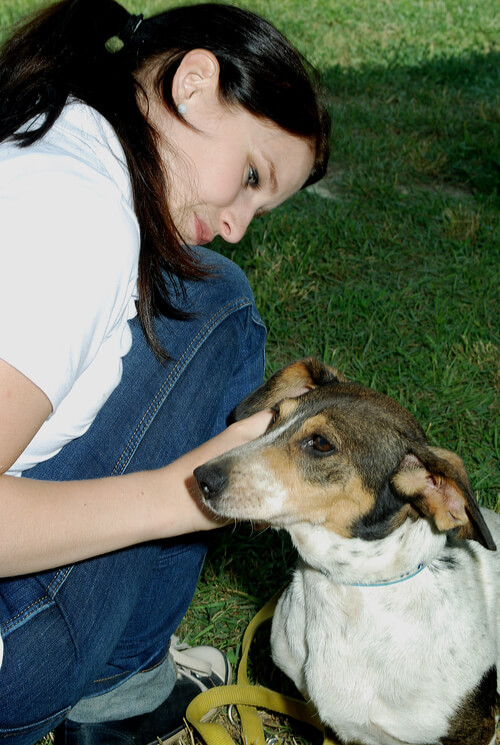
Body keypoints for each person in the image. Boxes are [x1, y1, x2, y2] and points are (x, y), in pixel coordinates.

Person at [0, 0, 330, 742]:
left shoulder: (46, 132)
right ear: (194, 84)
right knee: (220, 305)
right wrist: (184, 496)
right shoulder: (78, 218)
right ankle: (122, 700)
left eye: (260, 206)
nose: (237, 225)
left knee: (200, 286)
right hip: (9, 657)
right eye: (251, 175)